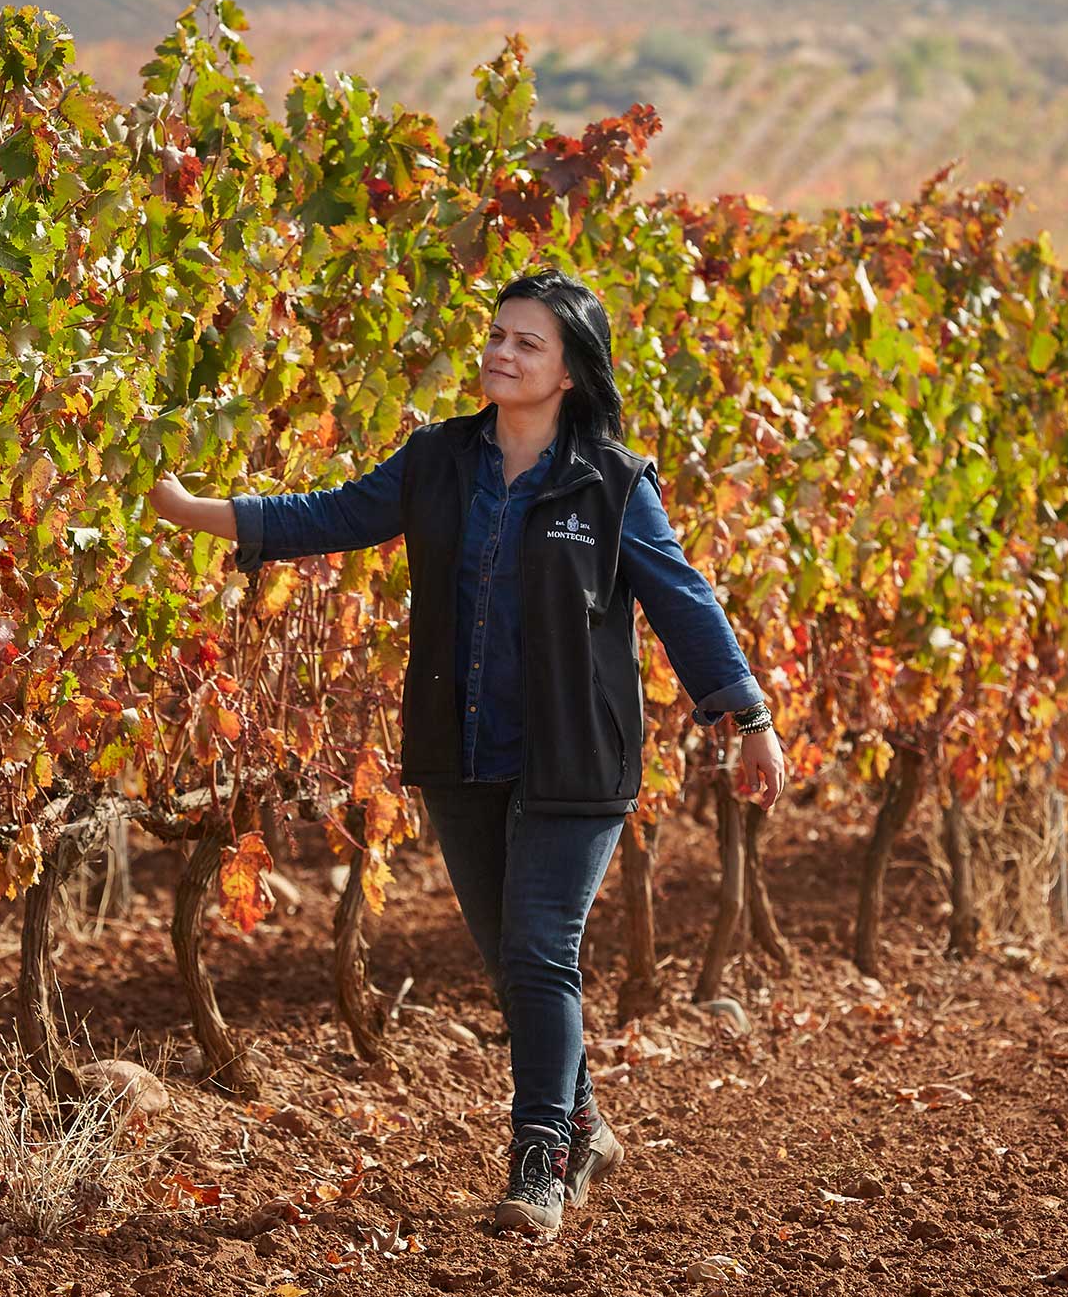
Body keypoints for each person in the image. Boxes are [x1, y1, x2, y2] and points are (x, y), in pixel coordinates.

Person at [148, 269, 786, 1240]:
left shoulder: (611, 482)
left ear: (570, 372)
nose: (501, 352)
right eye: (497, 335)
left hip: (578, 755)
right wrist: (196, 510)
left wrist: (748, 716)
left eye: (528, 342)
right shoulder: (439, 460)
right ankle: (584, 1123)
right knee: (511, 959)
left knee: (538, 949)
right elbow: (332, 514)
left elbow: (682, 601)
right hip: (463, 743)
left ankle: (541, 1159)